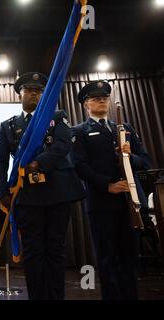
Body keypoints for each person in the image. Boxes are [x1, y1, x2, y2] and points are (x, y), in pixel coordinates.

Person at [0, 72, 85, 300]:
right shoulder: (8, 126)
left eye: (38, 90)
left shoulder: (58, 116)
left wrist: (39, 163)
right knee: (33, 252)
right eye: (28, 90)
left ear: (45, 95)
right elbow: (0, 160)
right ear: (20, 94)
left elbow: (63, 145)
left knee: (55, 249)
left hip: (57, 192)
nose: (33, 93)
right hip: (27, 196)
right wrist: (2, 191)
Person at [71, 80, 152, 300]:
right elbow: (80, 166)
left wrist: (129, 155)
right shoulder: (79, 131)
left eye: (105, 97)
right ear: (86, 104)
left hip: (130, 201)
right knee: (107, 258)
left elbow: (145, 161)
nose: (102, 101)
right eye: (96, 98)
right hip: (101, 202)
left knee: (130, 257)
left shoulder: (125, 129)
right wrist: (108, 184)